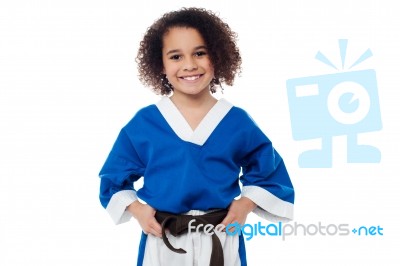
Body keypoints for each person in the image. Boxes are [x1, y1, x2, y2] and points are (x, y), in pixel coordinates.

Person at [99, 7, 294, 266]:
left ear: (218, 55)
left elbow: (269, 171)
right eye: (176, 56)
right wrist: (138, 210)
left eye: (200, 53)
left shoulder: (237, 122)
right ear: (161, 64)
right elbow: (113, 179)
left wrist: (245, 204)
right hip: (164, 240)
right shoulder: (145, 123)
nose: (190, 65)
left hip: (220, 237)